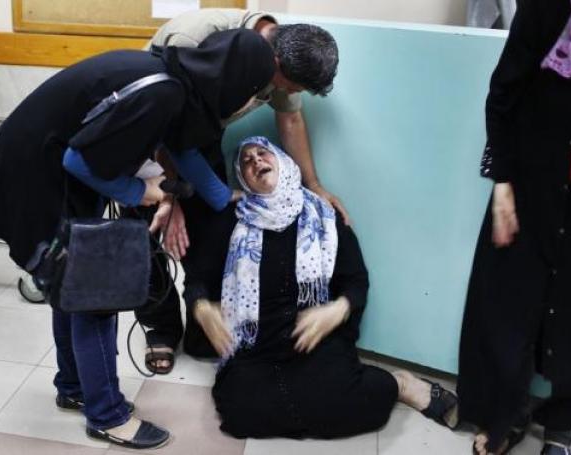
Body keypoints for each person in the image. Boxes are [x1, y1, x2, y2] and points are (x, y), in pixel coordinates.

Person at [0, 29, 275, 450]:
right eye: (257, 96)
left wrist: (225, 198)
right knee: (94, 294)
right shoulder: (162, 92)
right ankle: (108, 416)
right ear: (237, 84)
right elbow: (78, 160)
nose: (252, 106)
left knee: (70, 287)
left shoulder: (180, 84)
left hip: (44, 169)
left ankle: (75, 386)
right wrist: (140, 193)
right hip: (34, 176)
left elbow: (183, 148)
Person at [182, 136, 459, 438]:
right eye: (246, 162)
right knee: (238, 416)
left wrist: (336, 311)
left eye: (263, 153)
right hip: (255, 345)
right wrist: (202, 308)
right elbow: (196, 278)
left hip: (312, 339)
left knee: (342, 404)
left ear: (284, 163)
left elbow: (356, 281)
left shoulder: (324, 217)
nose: (256, 161)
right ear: (244, 180)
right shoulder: (231, 221)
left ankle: (401, 384)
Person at [457, 1, 571, 454]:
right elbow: (504, 92)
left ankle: (562, 425)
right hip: (530, 184)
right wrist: (502, 181)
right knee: (508, 304)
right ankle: (505, 415)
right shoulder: (547, 6)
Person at [136, 8, 345, 375]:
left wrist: (314, 186)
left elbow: (291, 118)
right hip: (148, 132)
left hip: (200, 135)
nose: (289, 94)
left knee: (212, 229)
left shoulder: (284, 55)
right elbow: (165, 124)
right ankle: (161, 327)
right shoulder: (192, 37)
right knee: (149, 231)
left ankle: (205, 327)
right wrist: (172, 194)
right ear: (275, 61)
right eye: (290, 87)